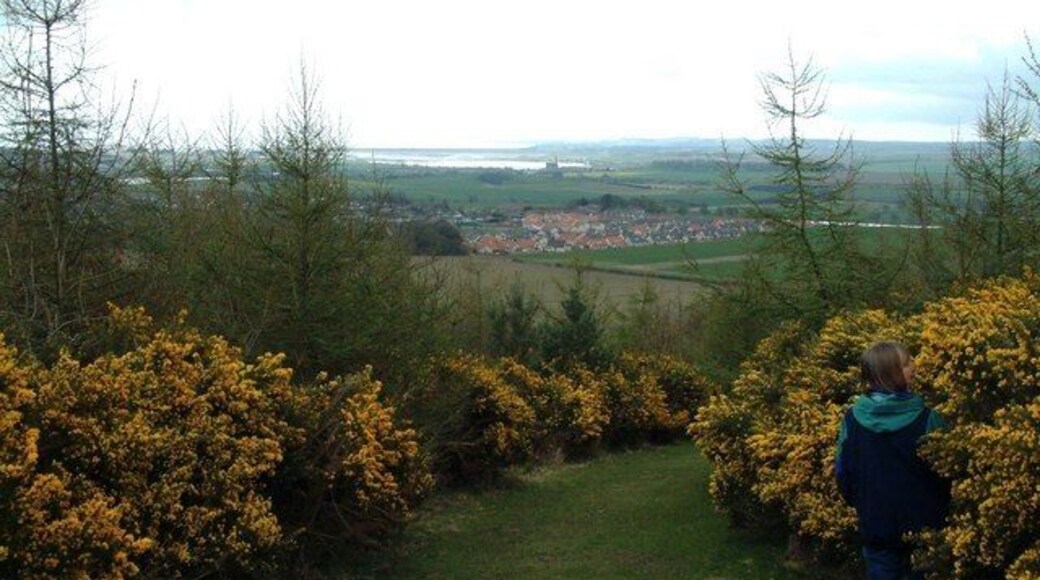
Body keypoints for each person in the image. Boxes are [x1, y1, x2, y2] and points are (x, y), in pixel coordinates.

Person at [835, 341, 950, 580]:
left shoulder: (852, 420)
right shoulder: (929, 419)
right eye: (907, 363)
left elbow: (843, 473)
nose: (914, 366)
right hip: (924, 528)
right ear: (890, 374)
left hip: (876, 526)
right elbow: (946, 474)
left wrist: (862, 503)